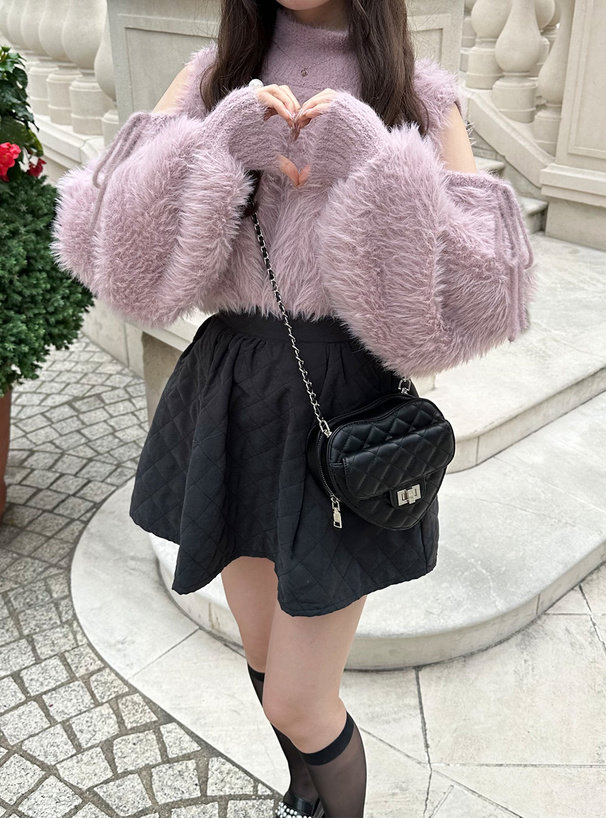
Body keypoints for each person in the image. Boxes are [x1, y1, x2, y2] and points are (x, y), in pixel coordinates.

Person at [50, 1, 536, 816]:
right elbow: (107, 251)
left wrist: (378, 164)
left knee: (300, 701)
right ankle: (302, 797)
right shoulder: (214, 76)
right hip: (234, 392)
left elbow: (490, 300)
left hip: (342, 407)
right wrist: (214, 146)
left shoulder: (418, 95)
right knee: (265, 659)